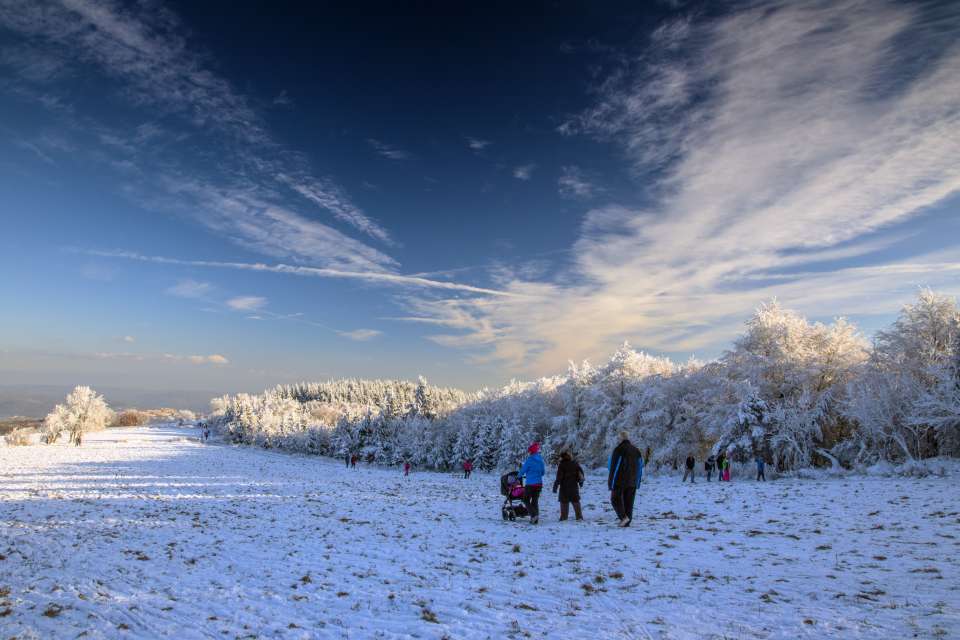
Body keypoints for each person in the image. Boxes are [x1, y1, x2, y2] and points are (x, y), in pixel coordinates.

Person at [608, 431, 642, 527]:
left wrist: (611, 482)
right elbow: (640, 467)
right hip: (633, 481)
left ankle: (623, 518)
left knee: (615, 499)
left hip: (620, 481)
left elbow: (614, 467)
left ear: (620, 439)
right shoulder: (636, 450)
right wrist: (638, 482)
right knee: (629, 502)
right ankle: (627, 522)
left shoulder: (618, 450)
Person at [553, 451, 585, 521]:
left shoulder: (562, 465)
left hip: (564, 487)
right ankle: (579, 517)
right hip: (574, 486)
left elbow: (559, 477)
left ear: (562, 457)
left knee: (564, 502)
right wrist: (581, 483)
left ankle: (564, 517)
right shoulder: (575, 463)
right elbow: (581, 474)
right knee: (576, 501)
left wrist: (555, 486)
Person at [520, 442, 545, 525]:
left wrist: (518, 477)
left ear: (531, 452)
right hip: (539, 483)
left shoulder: (529, 460)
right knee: (535, 500)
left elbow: (523, 470)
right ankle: (535, 518)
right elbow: (543, 472)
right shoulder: (540, 460)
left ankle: (533, 515)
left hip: (530, 484)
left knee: (525, 499)